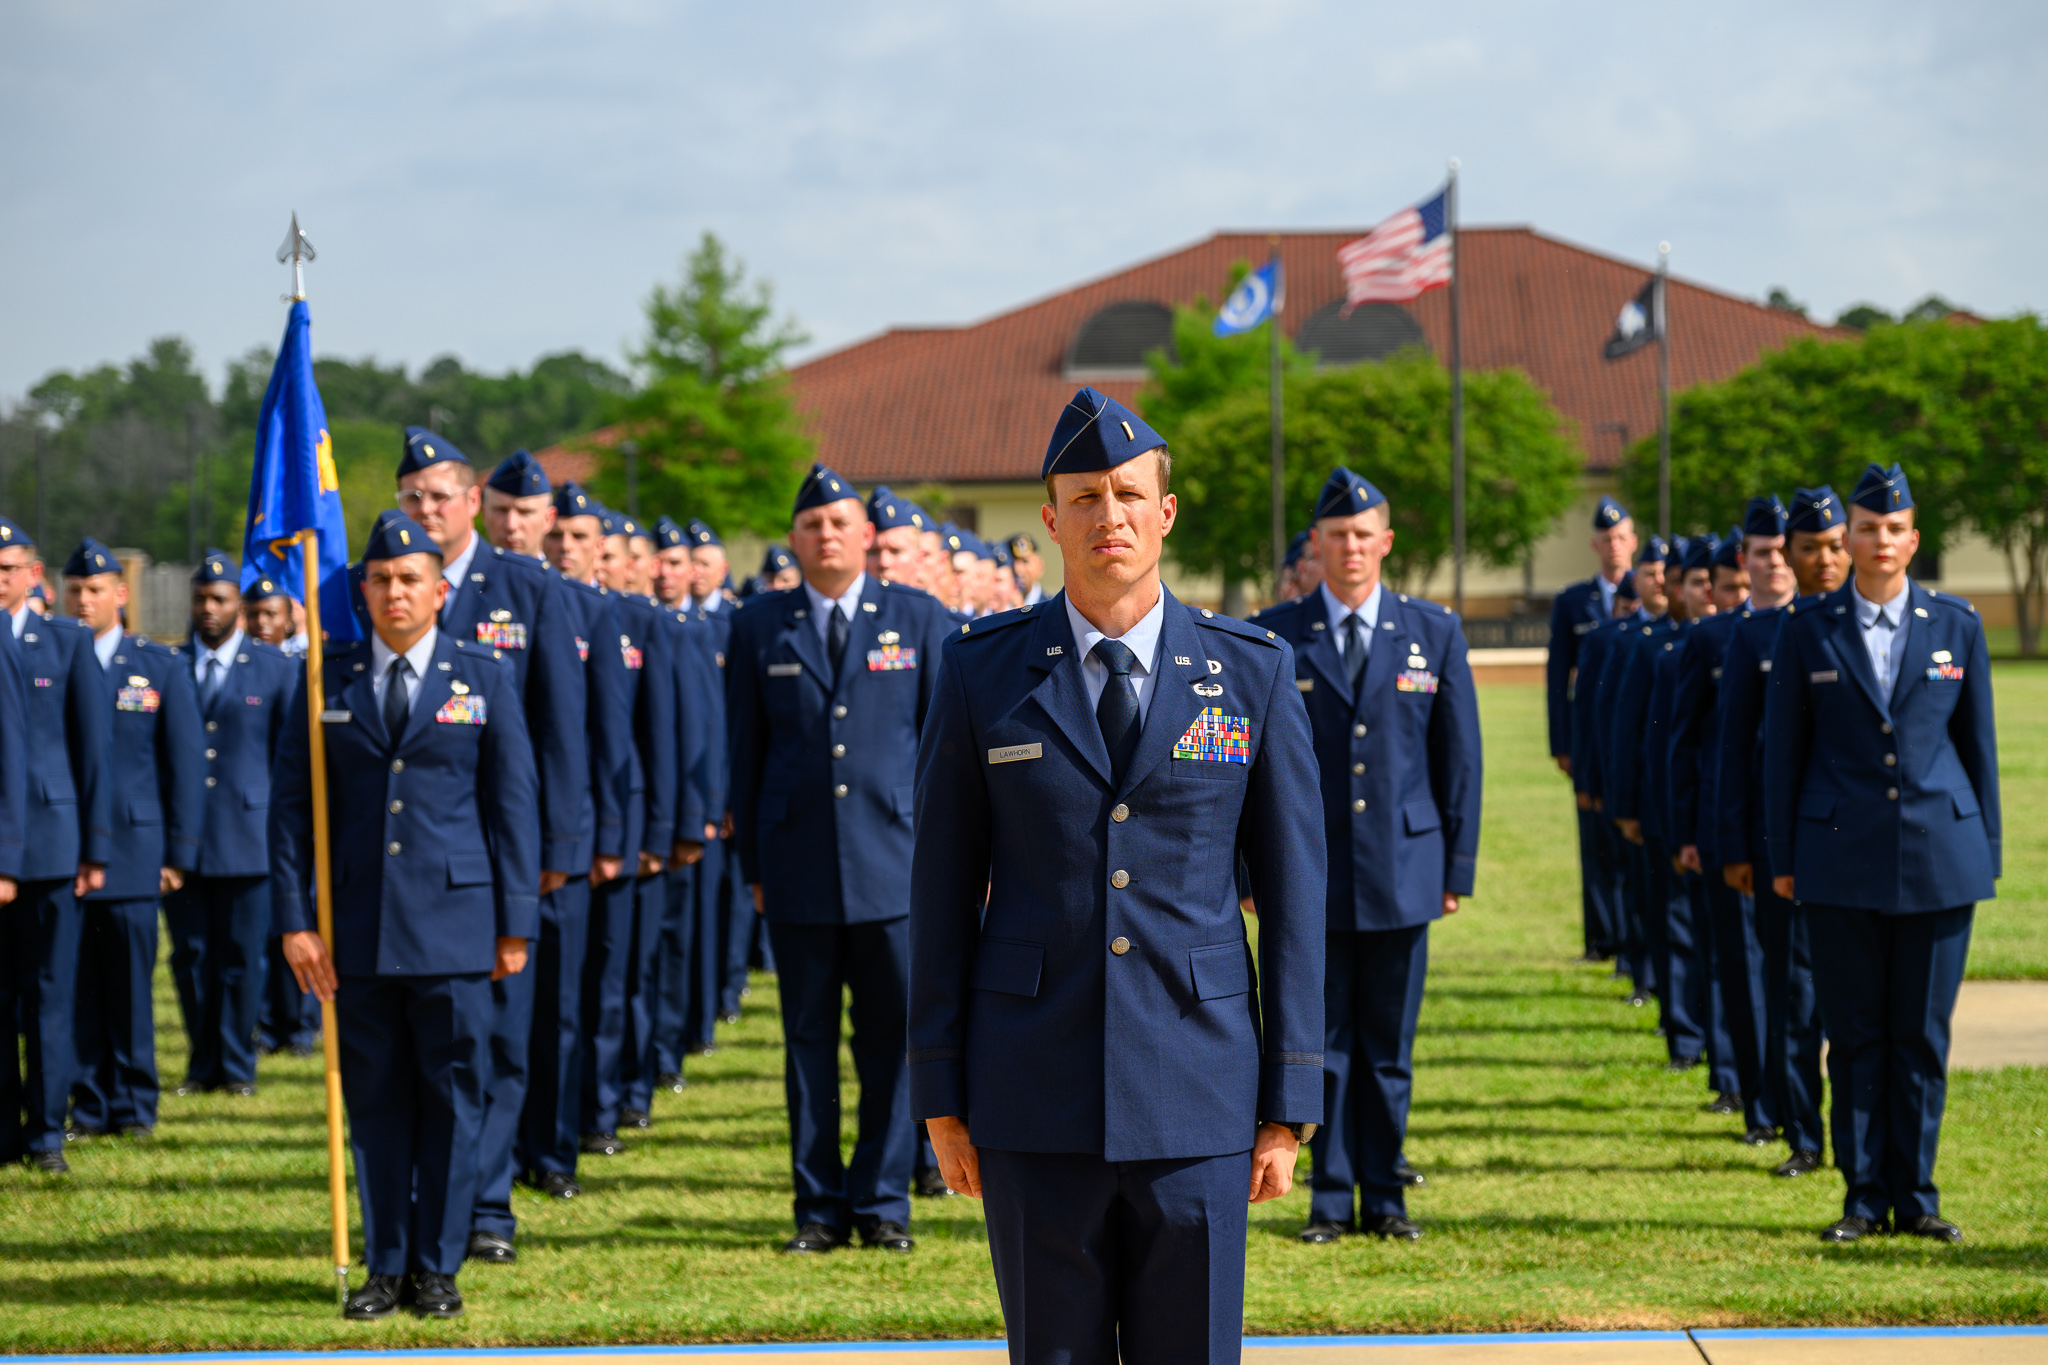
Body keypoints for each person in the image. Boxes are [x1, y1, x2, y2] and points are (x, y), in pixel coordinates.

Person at [911, 388, 1323, 1363]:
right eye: (1085, 497)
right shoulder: (981, 672)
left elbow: (1296, 896)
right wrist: (938, 1092)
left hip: (1199, 1084)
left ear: (1164, 512)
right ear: (1051, 520)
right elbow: (937, 888)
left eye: (1130, 495)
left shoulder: (1250, 670)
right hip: (1028, 1089)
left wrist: (1288, 1099)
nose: (1110, 516)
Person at [272, 510, 538, 1318]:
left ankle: (437, 1265)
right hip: (355, 930)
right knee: (377, 1099)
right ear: (362, 589)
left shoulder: (482, 673)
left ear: (439, 589)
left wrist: (515, 921)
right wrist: (295, 918)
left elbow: (513, 802)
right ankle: (384, 1264)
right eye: (382, 578)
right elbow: (290, 809)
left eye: (410, 577)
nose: (395, 591)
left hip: (456, 926)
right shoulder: (325, 675)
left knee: (455, 1098)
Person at [1765, 463, 1995, 1244]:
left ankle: (1918, 1194)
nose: (1881, 540)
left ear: (1913, 538)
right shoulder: (1808, 629)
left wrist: (1984, 848)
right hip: (1839, 856)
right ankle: (1864, 1196)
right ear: (1848, 540)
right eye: (1867, 528)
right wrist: (1784, 856)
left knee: (1922, 1036)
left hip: (1941, 856)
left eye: (1894, 528)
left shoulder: (1957, 624)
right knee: (1856, 1032)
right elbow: (1783, 756)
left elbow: (1979, 747)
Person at [728, 462, 954, 1254]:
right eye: (812, 525)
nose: (827, 535)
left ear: (866, 536)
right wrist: (753, 864)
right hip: (796, 870)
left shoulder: (921, 617)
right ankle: (818, 1207)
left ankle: (885, 1200)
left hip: (896, 866)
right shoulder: (759, 624)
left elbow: (943, 755)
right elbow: (744, 754)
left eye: (840, 523)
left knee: (894, 1043)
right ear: (793, 540)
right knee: (807, 1045)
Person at [1253, 467, 1480, 1244]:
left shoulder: (1434, 631)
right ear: (1316, 544)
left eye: (1363, 535)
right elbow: (1248, 767)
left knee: (1387, 1049)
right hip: (1305, 876)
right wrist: (1251, 871)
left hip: (1402, 871)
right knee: (1318, 1046)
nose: (1350, 547)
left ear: (1385, 542)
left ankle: (1385, 1195)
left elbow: (1460, 758)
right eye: (1336, 535)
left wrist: (1457, 868)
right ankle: (1330, 1195)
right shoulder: (1277, 631)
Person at [393, 434, 587, 1268]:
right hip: (417, 862)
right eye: (412, 498)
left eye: (439, 496)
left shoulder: (525, 588)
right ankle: (427, 1196)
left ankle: (487, 1205)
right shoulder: (378, 586)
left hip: (506, 852)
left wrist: (558, 846)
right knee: (425, 1041)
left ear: (471, 501)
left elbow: (561, 726)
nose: (426, 511)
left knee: (502, 1037)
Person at [1714, 490, 1840, 1178]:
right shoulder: (1759, 634)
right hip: (1781, 844)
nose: (1823, 559)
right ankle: (1804, 1133)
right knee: (1792, 997)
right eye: (1809, 545)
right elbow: (1737, 750)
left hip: (1853, 844)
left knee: (1849, 1003)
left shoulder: (1860, 625)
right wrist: (1736, 846)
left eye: (1832, 543)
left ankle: (1852, 1135)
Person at [64, 540, 204, 1143]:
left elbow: (184, 762)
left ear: (121, 595)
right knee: (77, 986)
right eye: (75, 590)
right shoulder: (52, 657)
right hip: (66, 853)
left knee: (129, 985)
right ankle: (87, 1104)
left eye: (95, 590)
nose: (84, 600)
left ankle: (135, 1103)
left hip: (135, 851)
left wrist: (179, 852)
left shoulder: (157, 665)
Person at [515, 481, 631, 1203]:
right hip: (493, 841)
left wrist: (605, 835)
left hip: (566, 841)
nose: (547, 541)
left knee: (562, 1006)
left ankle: (555, 1147)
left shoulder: (598, 612)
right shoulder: (474, 599)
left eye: (535, 518)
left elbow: (607, 735)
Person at [0, 518, 111, 1175]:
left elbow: (91, 747)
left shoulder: (64, 641)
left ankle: (46, 1130)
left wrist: (94, 848)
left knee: (47, 993)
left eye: (8, 568)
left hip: (49, 845)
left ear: (32, 574)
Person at [163, 553, 294, 1101]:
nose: (208, 609)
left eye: (219, 599)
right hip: (184, 840)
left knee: (242, 957)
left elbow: (286, 760)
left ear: (237, 605)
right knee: (192, 956)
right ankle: (202, 1062)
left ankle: (238, 1065)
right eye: (200, 599)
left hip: (249, 837)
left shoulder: (274, 668)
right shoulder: (168, 664)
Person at [580, 507, 679, 1148]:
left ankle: (619, 1095)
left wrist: (663, 830)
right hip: (563, 826)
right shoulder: (555, 612)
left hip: (631, 823)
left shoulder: (642, 623)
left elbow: (665, 732)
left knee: (621, 978)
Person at [1550, 496, 1638, 962]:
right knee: (1595, 846)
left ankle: (1631, 942)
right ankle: (1600, 940)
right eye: (1606, 539)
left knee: (1631, 848)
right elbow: (1556, 677)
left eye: (1621, 537)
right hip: (1588, 742)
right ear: (1594, 545)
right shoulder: (1572, 602)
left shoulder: (1653, 590)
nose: (1614, 545)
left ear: (1634, 541)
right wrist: (1560, 745)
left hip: (1630, 740)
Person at [242, 575, 319, 1057]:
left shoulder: (305, 665)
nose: (264, 623)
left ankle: (302, 1020)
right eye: (256, 614)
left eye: (273, 613)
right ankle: (270, 1020)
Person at [1567, 568, 1640, 989]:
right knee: (1607, 866)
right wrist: (1587, 780)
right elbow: (1590, 717)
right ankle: (1612, 942)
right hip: (1606, 773)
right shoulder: (1601, 639)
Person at [479, 449, 557, 560]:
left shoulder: (558, 578)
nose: (511, 525)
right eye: (502, 510)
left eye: (525, 512)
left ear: (549, 519)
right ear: (484, 513)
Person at [865, 486, 928, 587]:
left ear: (918, 560)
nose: (884, 563)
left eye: (896, 551)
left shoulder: (931, 603)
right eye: (873, 552)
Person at [1007, 533, 1045, 606]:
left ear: (1040, 566)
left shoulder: (1052, 606)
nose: (1018, 569)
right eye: (1012, 562)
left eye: (1025, 561)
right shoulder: (995, 606)